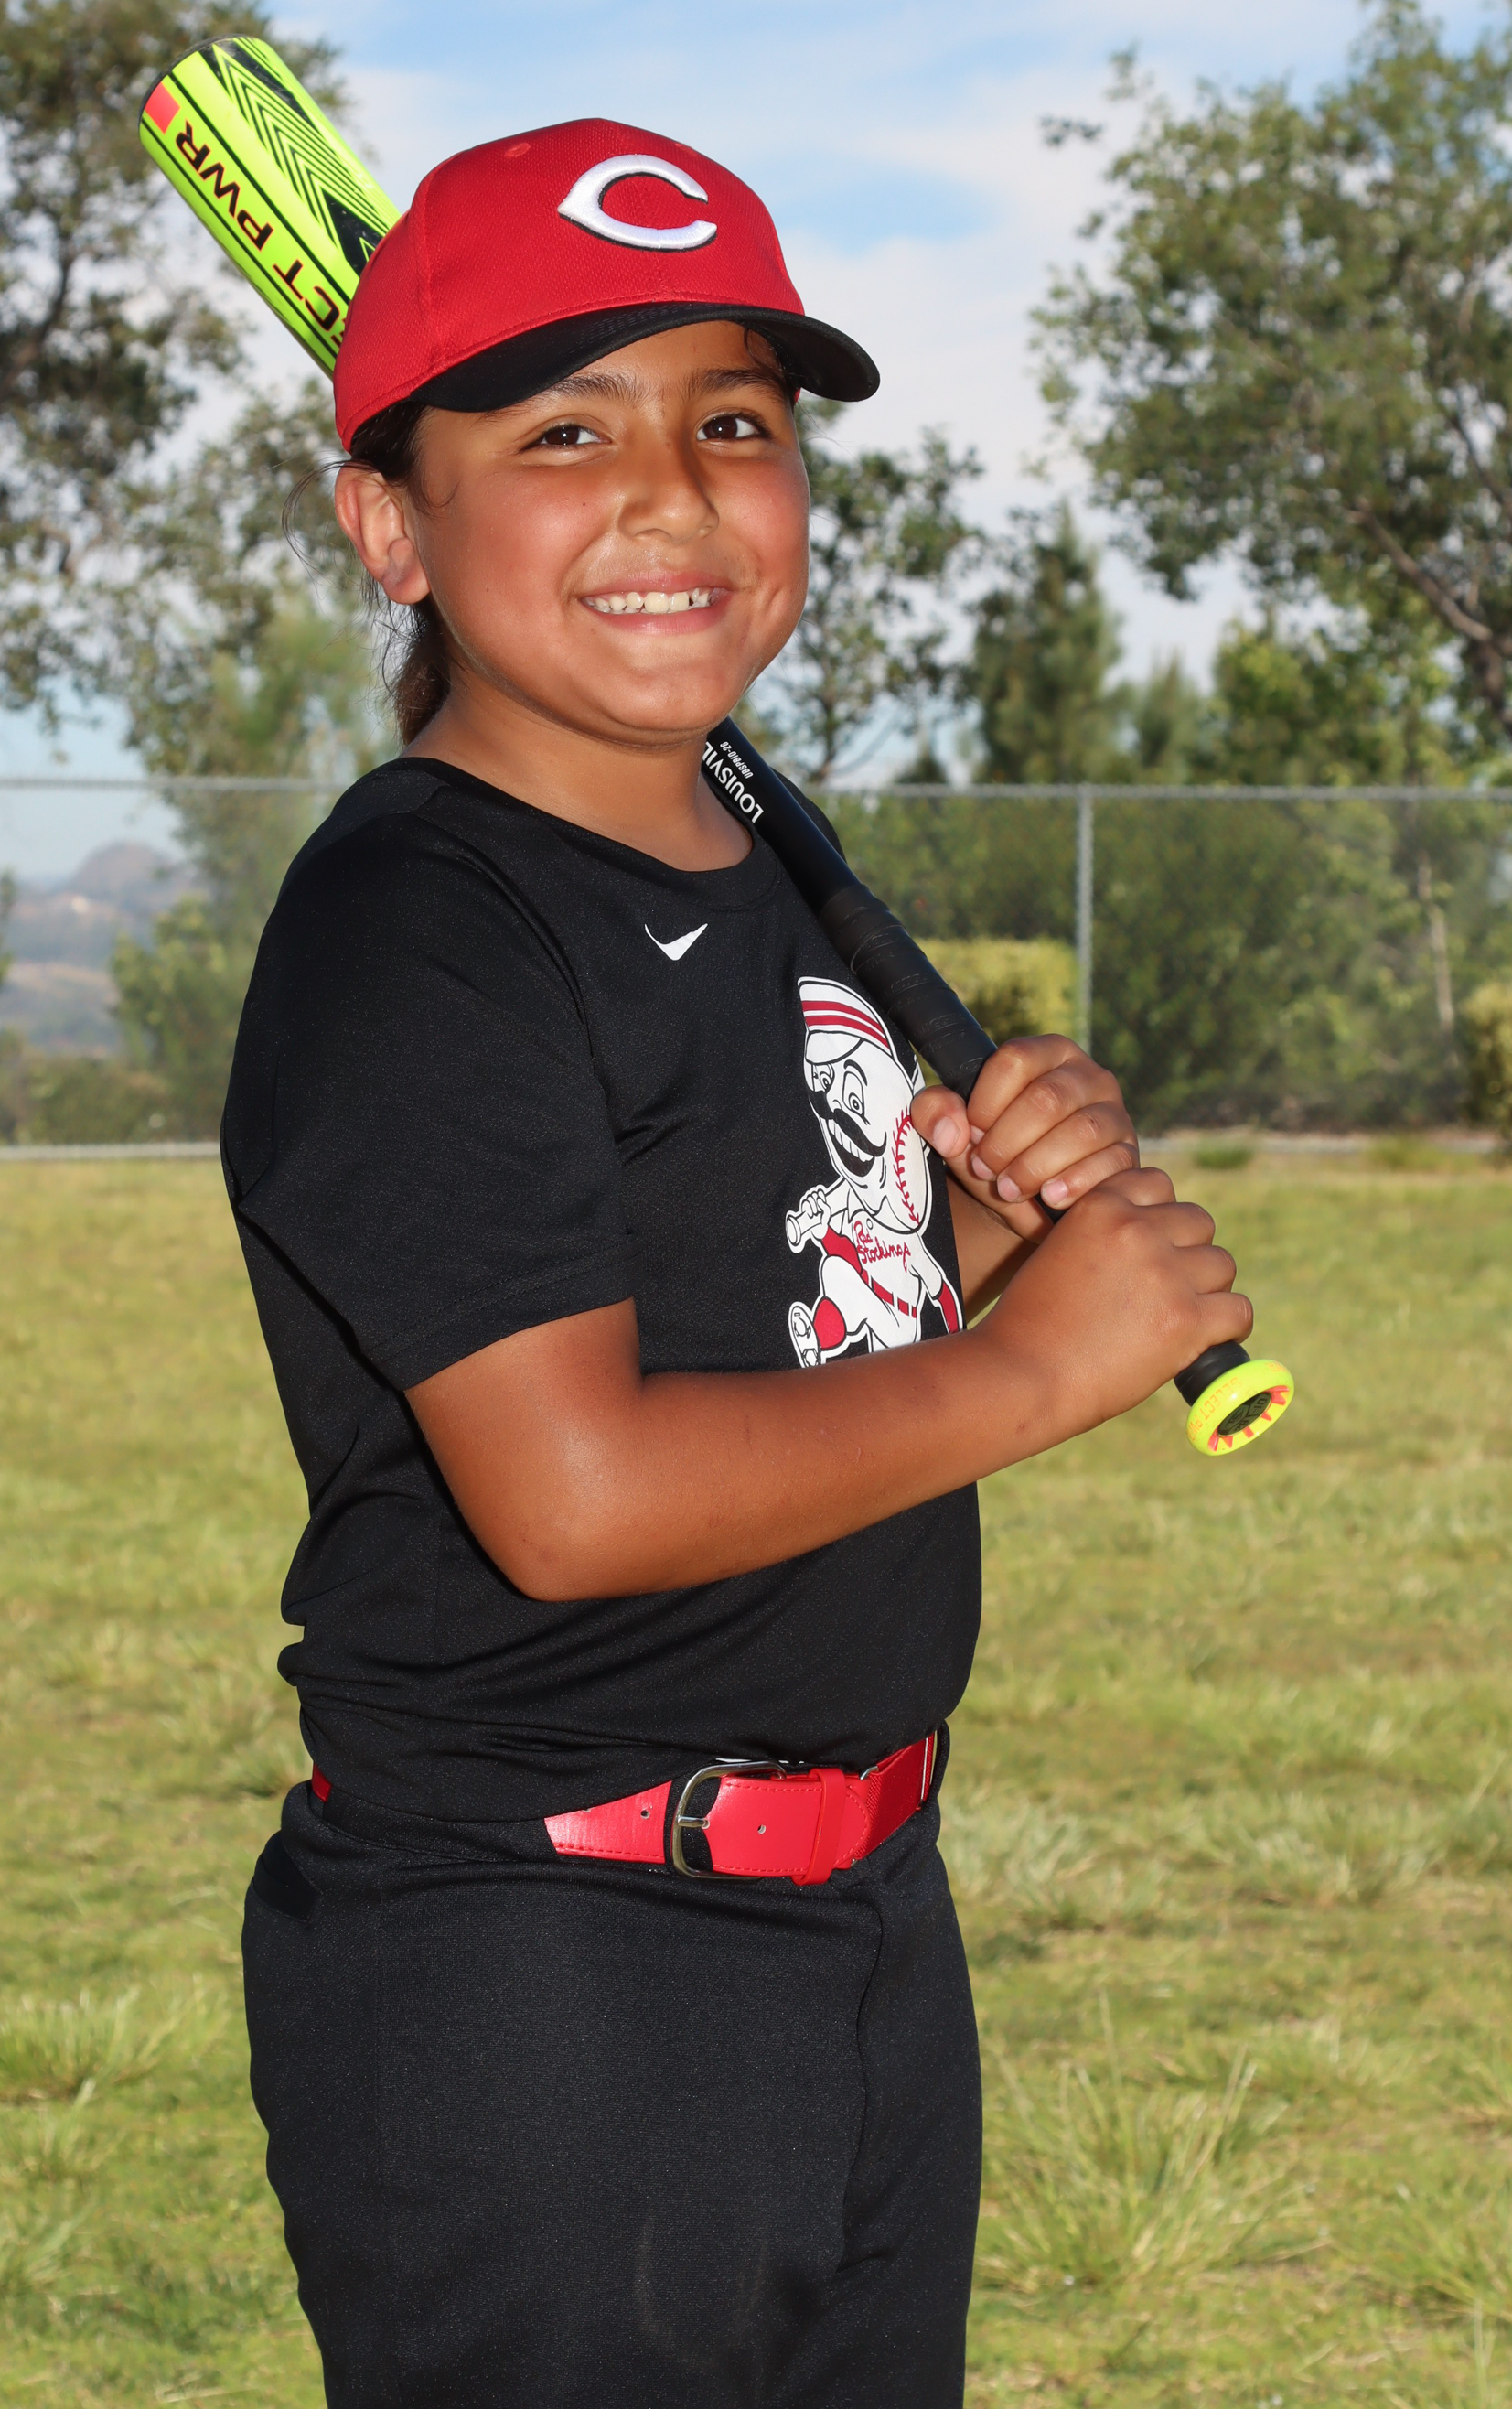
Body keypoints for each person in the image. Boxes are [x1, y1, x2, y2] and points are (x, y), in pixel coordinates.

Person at [223, 119, 1249, 2409]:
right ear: (389, 523)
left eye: (735, 423)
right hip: (545, 1960)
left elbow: (772, 1316)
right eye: (561, 432)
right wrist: (1043, 1370)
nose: (671, 494)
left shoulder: (758, 859)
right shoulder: (419, 930)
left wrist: (975, 1236)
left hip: (859, 1910)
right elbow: (574, 1489)